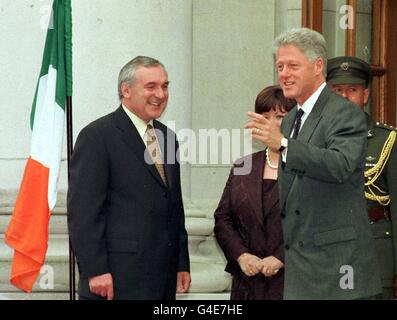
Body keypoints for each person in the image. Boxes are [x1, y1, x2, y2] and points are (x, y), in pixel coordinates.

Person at [245, 28, 382, 299]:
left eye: (293, 65)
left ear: (318, 66)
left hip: (339, 274)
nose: (284, 74)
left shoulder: (343, 112)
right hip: (301, 270)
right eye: (280, 66)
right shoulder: (291, 117)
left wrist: (283, 144)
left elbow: (340, 164)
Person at [67, 56, 191, 300]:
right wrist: (96, 270)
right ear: (126, 90)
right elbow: (84, 212)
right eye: (151, 86)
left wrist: (181, 263)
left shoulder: (167, 138)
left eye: (165, 86)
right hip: (116, 280)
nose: (161, 94)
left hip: (161, 279)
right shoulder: (97, 136)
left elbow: (174, 207)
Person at [214, 85, 296, 300]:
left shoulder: (308, 166)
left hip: (293, 282)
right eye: (264, 116)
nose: (270, 124)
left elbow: (318, 221)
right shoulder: (244, 165)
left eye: (279, 116)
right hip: (247, 285)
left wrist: (281, 258)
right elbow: (223, 219)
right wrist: (241, 256)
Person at [327, 56, 397, 299]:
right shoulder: (311, 140)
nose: (344, 97)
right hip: (326, 256)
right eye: (337, 90)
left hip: (375, 253)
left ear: (365, 96)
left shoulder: (387, 140)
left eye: (352, 90)